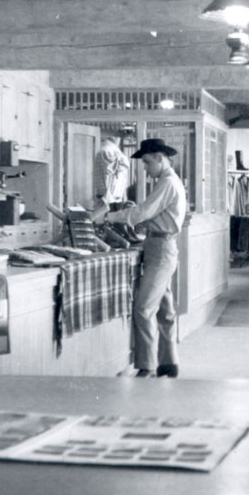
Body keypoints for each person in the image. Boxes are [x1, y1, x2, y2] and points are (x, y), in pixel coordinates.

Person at [90, 138, 187, 378]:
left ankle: (148, 366)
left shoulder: (167, 183)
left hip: (161, 248)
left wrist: (107, 218)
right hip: (158, 246)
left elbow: (143, 212)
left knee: (143, 308)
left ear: (160, 158)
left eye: (146, 162)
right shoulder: (168, 181)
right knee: (164, 310)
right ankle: (169, 362)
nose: (145, 167)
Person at [93, 134, 130, 205]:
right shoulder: (108, 151)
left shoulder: (106, 150)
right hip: (110, 199)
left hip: (111, 198)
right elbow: (110, 177)